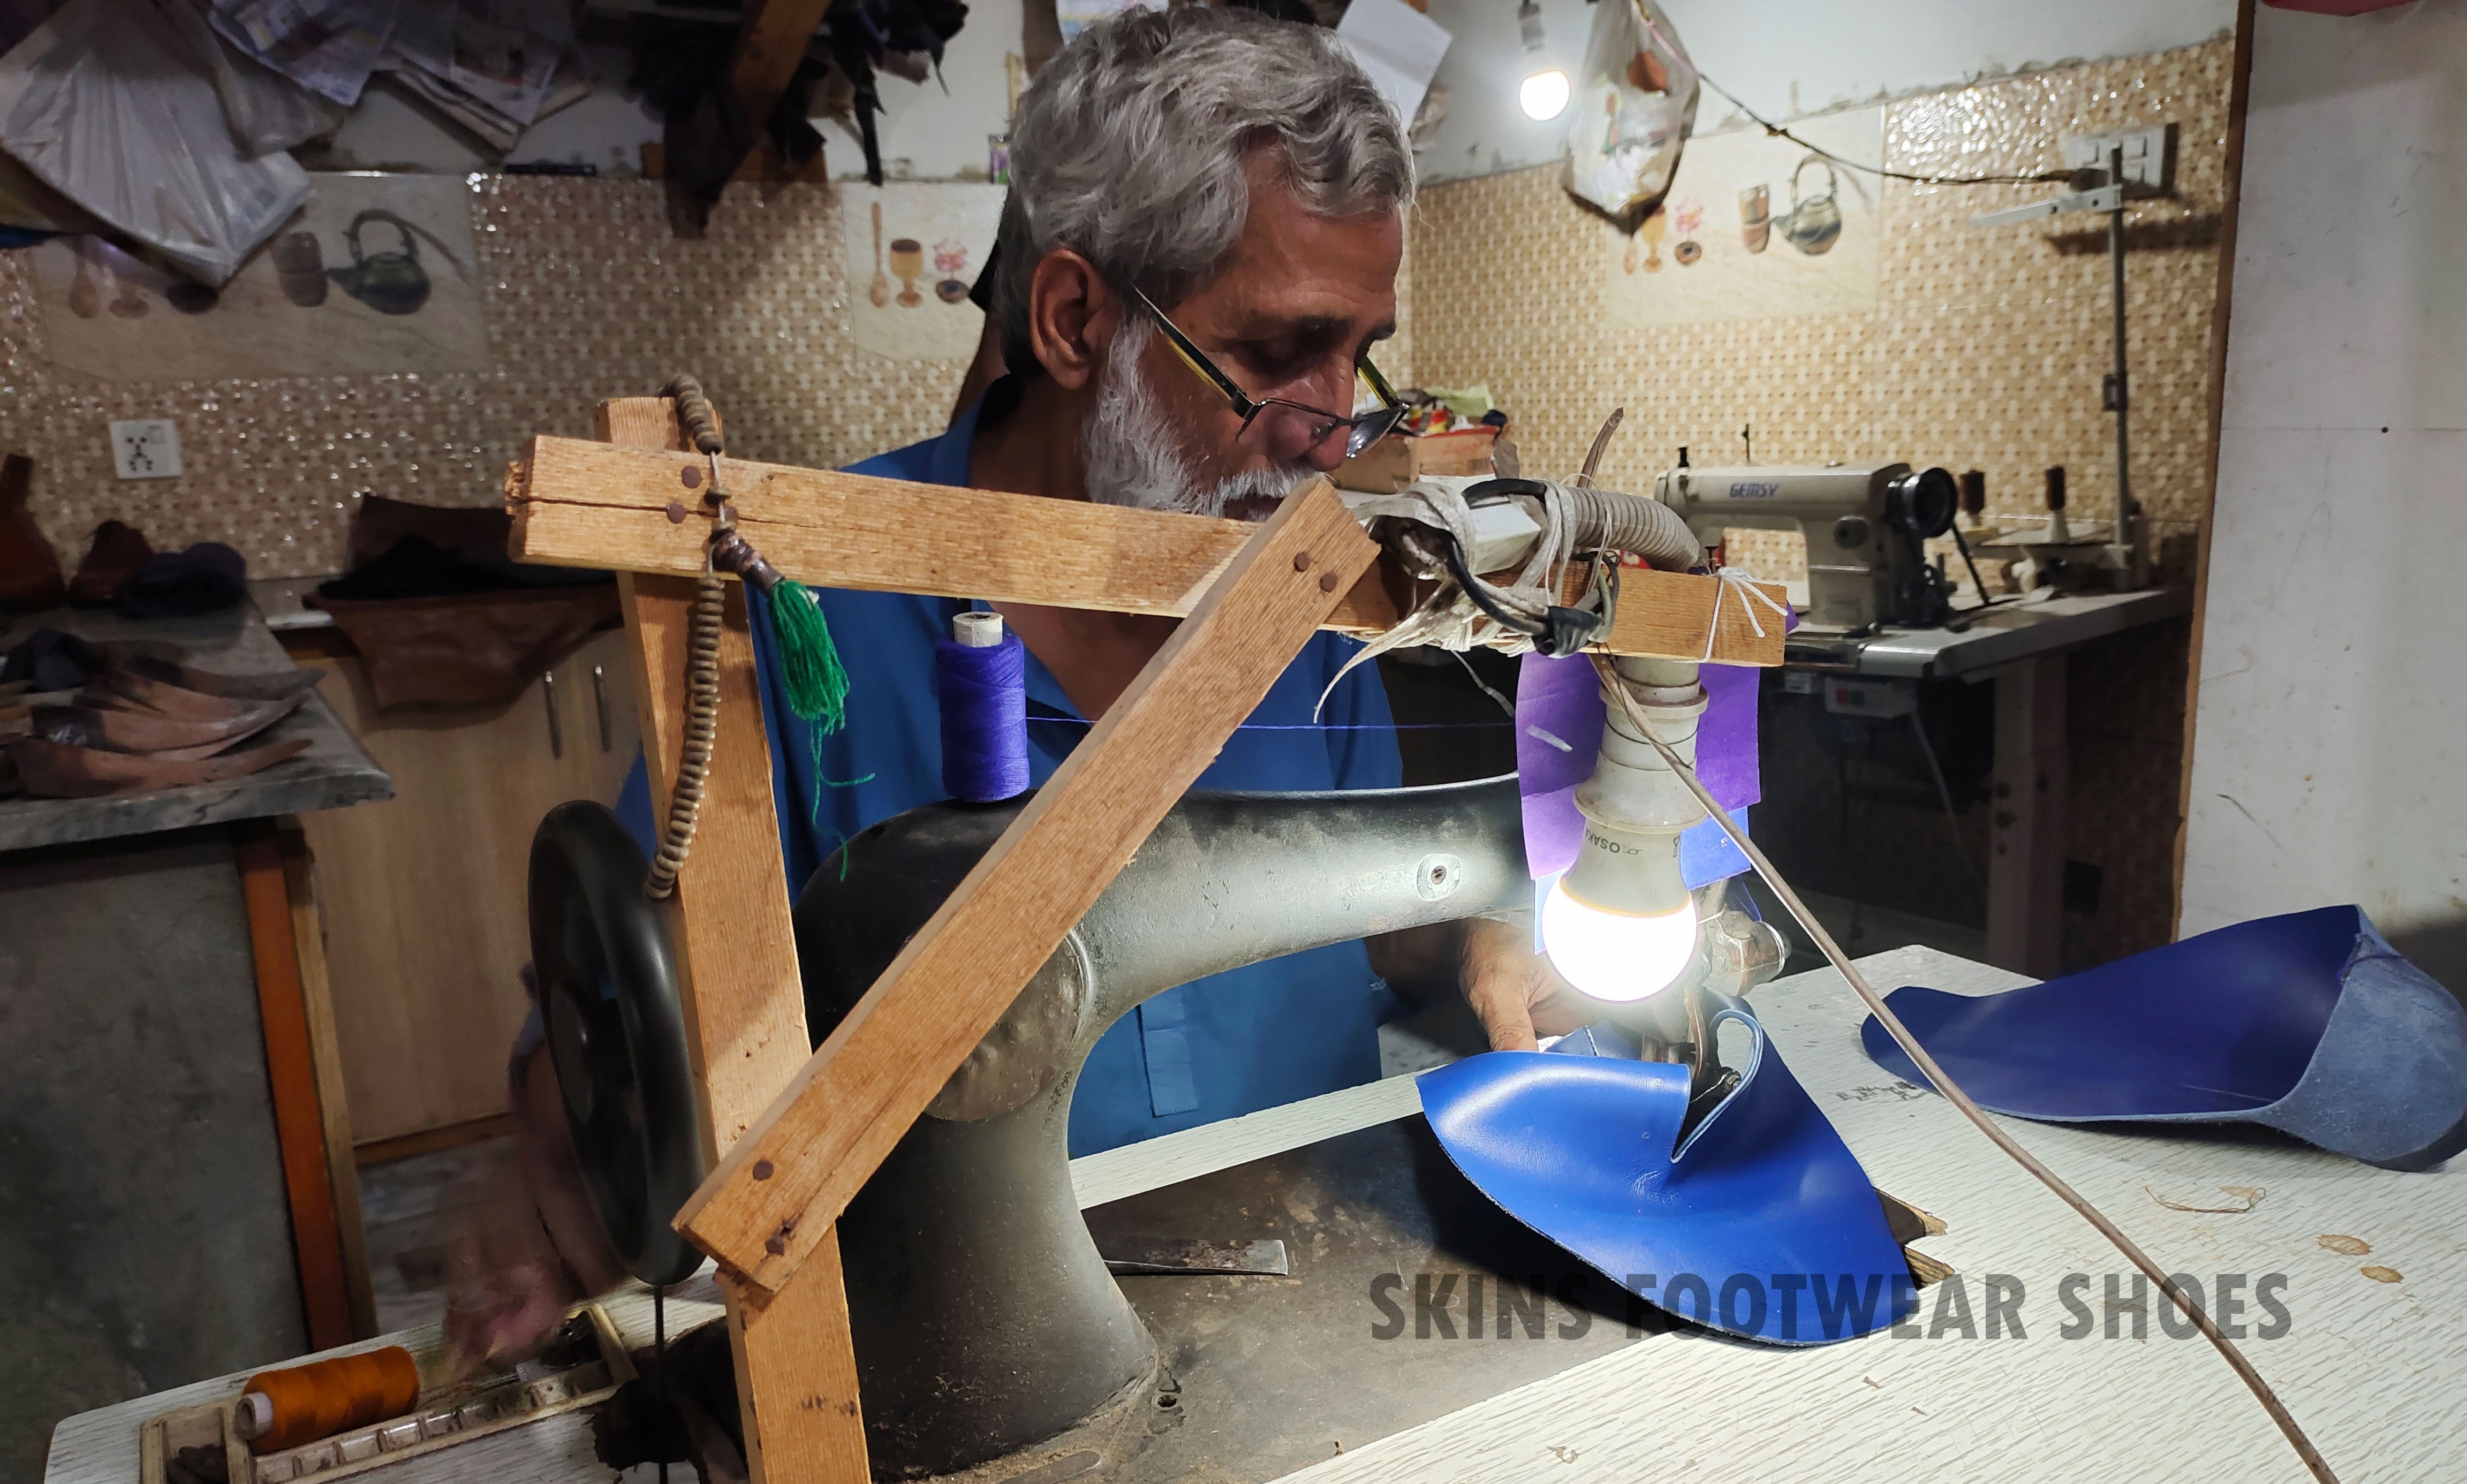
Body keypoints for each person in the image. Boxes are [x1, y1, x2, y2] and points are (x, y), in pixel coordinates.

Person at [449, 4, 1578, 1369]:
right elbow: (612, 1049)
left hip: (1311, 1316)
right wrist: (554, 1169)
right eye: (1279, 355)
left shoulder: (1318, 596)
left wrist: (1488, 940)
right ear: (1072, 320)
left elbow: (1376, 933)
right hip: (954, 1354)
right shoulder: (801, 620)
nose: (1333, 434)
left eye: (1361, 351)